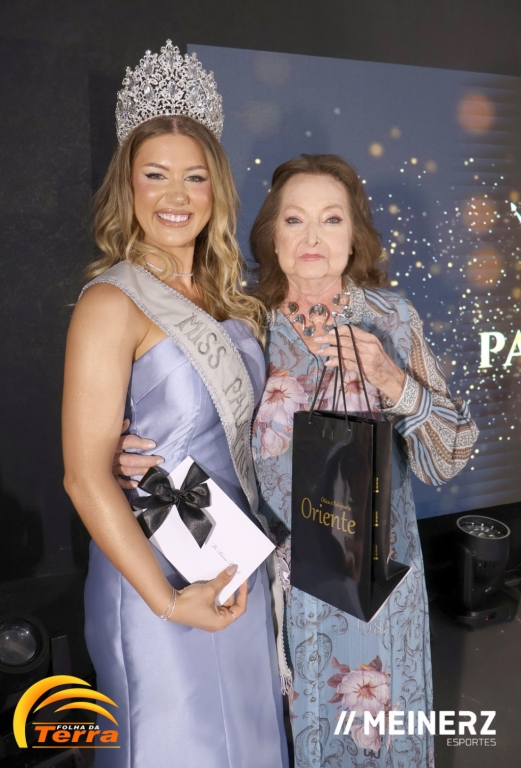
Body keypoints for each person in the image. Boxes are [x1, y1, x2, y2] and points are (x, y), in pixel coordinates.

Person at [117, 153, 478, 766]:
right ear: (272, 237)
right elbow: (197, 428)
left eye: (331, 219)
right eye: (294, 220)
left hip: (378, 586)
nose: (313, 237)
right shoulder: (242, 324)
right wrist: (138, 454)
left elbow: (450, 456)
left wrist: (393, 380)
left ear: (354, 236)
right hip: (281, 590)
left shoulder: (391, 318)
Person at [62, 41, 289, 768]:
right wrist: (166, 602)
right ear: (127, 187)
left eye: (194, 176)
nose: (176, 195)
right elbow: (84, 476)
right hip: (154, 576)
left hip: (233, 556)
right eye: (154, 175)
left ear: (216, 189)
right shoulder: (110, 302)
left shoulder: (234, 301)